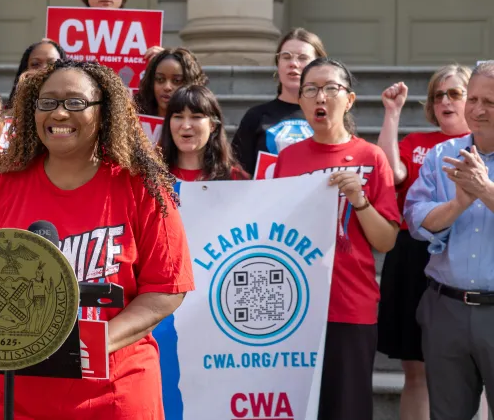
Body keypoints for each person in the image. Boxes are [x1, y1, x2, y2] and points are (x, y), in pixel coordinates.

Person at [0, 59, 194, 419]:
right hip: (9, 396)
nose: (59, 113)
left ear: (103, 112)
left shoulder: (141, 187)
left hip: (113, 393)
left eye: (75, 102)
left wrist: (93, 345)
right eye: (47, 102)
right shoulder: (0, 188)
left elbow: (166, 289)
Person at [274, 58, 399, 420]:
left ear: (349, 99)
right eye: (311, 89)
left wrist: (359, 200)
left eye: (331, 88)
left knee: (348, 409)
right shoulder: (287, 159)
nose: (321, 97)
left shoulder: (371, 157)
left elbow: (386, 242)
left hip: (350, 306)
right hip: (295, 308)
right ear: (300, 100)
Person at [377, 64, 471, 420]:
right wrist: (392, 113)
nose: (445, 101)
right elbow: (390, 174)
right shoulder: (417, 143)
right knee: (415, 369)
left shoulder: (484, 145)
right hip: (411, 255)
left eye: (454, 93)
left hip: (464, 255)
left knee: (471, 372)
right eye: (437, 95)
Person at [404, 61, 494, 420]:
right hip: (446, 309)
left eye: (490, 101)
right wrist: (458, 204)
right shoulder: (441, 155)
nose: (478, 109)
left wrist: (485, 190)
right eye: (472, 99)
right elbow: (415, 219)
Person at [232, 28, 327, 176]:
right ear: (278, 64)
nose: (293, 63)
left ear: (318, 66)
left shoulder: (331, 114)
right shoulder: (256, 116)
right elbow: (239, 173)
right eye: (286, 57)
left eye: (302, 58)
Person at [159, 85, 248, 181]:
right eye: (178, 117)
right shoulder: (152, 176)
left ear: (212, 125)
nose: (186, 126)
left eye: (196, 117)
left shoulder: (234, 179)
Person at [136, 48, 208, 117]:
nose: (167, 87)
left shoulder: (201, 120)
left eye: (176, 81)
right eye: (160, 79)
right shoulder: (135, 118)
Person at [7, 40, 66, 109]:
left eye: (52, 64)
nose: (44, 69)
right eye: (35, 64)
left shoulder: (73, 108)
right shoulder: (10, 114)